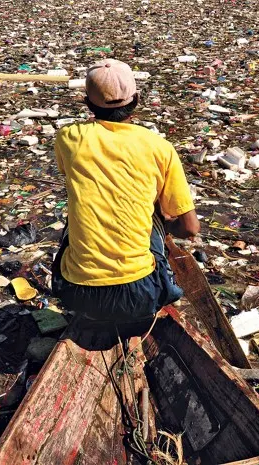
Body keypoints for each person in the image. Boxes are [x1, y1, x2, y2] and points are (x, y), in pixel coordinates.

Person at [51, 59, 199, 349]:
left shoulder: (68, 138)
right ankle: (159, 296)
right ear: (137, 101)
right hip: (140, 294)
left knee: (75, 218)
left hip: (78, 294)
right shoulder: (158, 147)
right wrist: (166, 226)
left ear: (87, 104)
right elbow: (190, 228)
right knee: (155, 216)